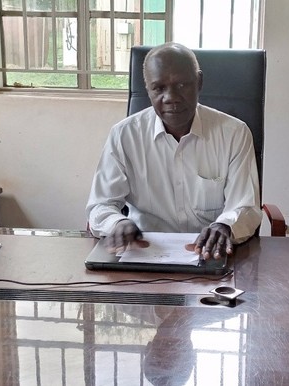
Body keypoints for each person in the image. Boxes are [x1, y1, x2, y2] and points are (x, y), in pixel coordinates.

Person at [86, 42, 262, 260]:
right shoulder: (124, 136)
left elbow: (246, 206)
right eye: (159, 88)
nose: (171, 98)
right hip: (143, 255)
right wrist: (117, 222)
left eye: (181, 85)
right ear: (147, 89)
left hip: (211, 255)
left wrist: (226, 225)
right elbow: (101, 205)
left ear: (199, 82)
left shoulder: (234, 133)